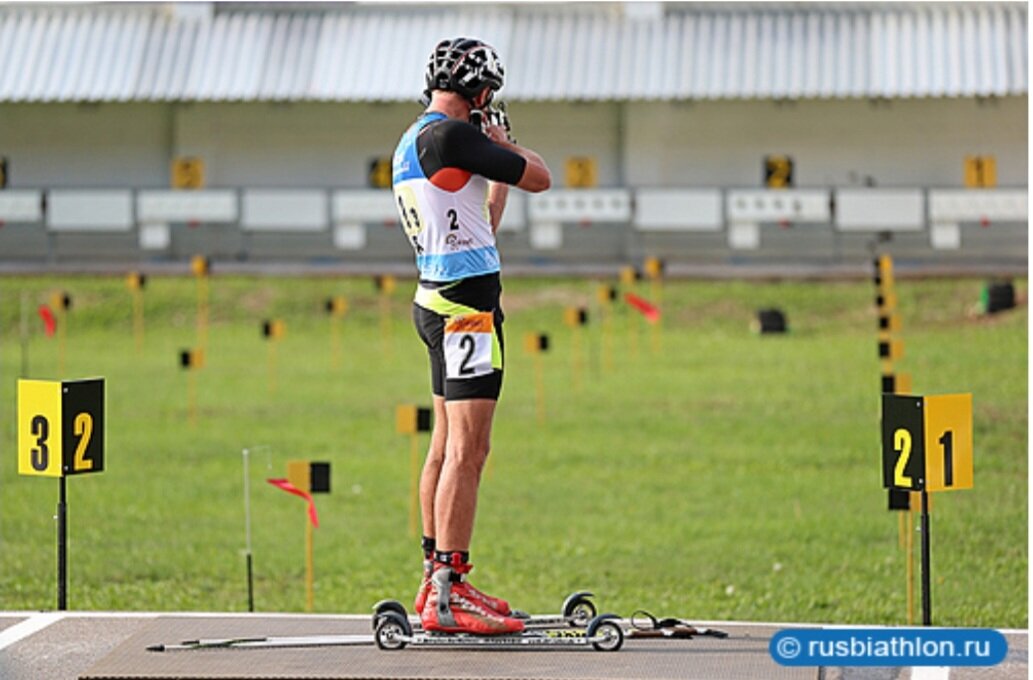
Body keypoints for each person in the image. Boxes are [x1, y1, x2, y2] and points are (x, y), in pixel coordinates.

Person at [391, 37, 551, 636]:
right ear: (480, 92)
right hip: (466, 311)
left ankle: (437, 576)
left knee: (444, 446)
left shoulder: (414, 139)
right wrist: (503, 147)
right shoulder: (455, 137)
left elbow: (480, 226)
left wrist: (493, 175)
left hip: (438, 299)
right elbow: (542, 177)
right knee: (469, 451)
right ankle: (449, 589)